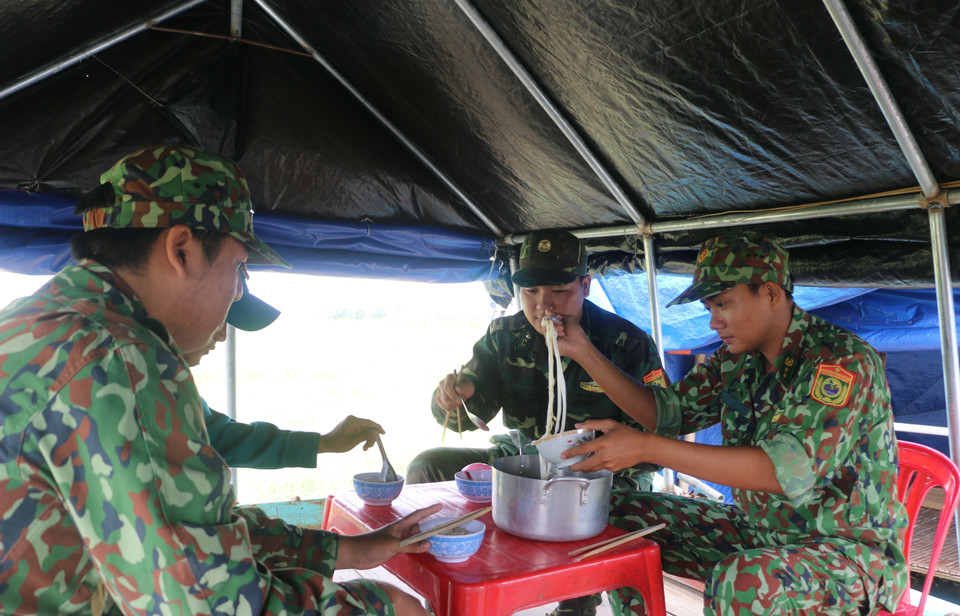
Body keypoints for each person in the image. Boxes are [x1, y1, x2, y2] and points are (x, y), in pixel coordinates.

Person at [0, 145, 439, 615]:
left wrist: (345, 552)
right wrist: (386, 608)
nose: (235, 295)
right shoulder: (123, 359)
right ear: (182, 249)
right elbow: (206, 603)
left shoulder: (35, 321)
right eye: (238, 266)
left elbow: (189, 530)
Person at [557, 230, 908, 615]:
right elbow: (665, 414)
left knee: (743, 579)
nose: (713, 322)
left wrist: (643, 447)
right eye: (709, 307)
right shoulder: (737, 360)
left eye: (723, 304)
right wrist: (583, 351)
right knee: (617, 516)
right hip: (760, 533)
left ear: (771, 294)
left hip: (847, 555)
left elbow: (780, 472)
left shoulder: (840, 363)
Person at [408, 228, 666, 616]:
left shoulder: (625, 343)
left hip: (606, 473)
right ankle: (444, 584)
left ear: (585, 285)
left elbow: (658, 438)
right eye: (529, 292)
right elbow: (467, 415)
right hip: (524, 463)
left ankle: (577, 599)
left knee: (588, 507)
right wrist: (453, 397)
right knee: (429, 463)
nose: (543, 306)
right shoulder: (505, 336)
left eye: (558, 291)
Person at [193, 282, 385, 469]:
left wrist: (327, 442)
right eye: (219, 315)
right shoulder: (165, 383)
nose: (222, 335)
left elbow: (221, 438)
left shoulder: (175, 383)